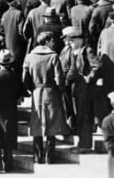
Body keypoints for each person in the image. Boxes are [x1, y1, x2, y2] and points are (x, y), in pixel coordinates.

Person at [22, 31, 69, 164]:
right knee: (52, 124)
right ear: (47, 41)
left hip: (36, 92)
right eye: (52, 40)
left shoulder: (30, 56)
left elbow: (24, 77)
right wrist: (61, 88)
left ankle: (37, 157)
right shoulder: (53, 56)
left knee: (37, 124)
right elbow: (59, 76)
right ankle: (50, 158)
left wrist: (30, 88)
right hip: (51, 91)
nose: (54, 43)